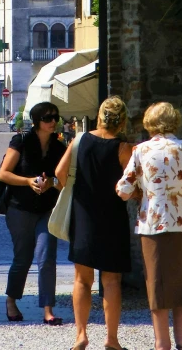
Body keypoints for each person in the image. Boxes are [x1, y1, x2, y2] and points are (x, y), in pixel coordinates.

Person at [116, 102, 182, 350]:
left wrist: (141, 192)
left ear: (149, 123)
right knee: (180, 282)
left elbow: (122, 190)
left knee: (156, 284)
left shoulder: (141, 150)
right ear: (175, 120)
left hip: (152, 223)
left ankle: (161, 344)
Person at [56, 95, 133, 350]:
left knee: (82, 279)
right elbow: (132, 185)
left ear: (99, 116)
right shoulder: (124, 149)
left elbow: (60, 174)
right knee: (111, 281)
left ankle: (81, 335)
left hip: (84, 214)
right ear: (122, 122)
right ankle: (111, 339)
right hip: (112, 216)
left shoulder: (80, 140)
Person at [0, 101, 66, 325]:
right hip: (20, 208)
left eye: (55, 117)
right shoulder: (22, 141)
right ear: (37, 121)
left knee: (47, 257)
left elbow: (64, 180)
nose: (53, 122)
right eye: (48, 118)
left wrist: (51, 183)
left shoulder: (59, 146)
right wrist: (28, 181)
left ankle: (48, 310)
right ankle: (11, 301)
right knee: (23, 258)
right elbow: (4, 174)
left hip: (47, 209)